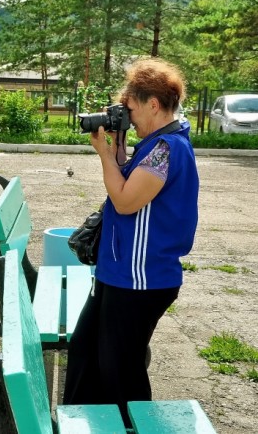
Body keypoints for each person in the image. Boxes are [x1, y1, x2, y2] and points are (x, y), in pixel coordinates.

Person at [63, 58, 199, 426]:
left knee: (119, 370)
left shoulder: (165, 149)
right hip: (120, 272)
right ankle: (75, 422)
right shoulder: (155, 145)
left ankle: (131, 426)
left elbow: (124, 201)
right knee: (86, 352)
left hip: (140, 279)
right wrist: (119, 154)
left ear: (153, 104)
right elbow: (131, 188)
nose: (129, 116)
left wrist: (105, 155)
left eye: (133, 108)